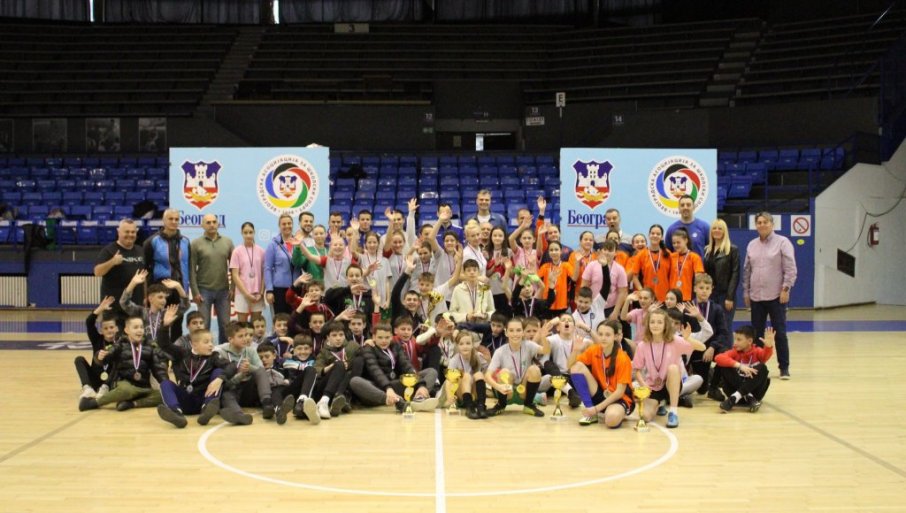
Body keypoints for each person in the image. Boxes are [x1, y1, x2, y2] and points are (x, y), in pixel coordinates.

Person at [156, 306, 245, 428]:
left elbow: (232, 365)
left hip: (202, 398)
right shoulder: (182, 353)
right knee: (165, 383)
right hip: (185, 398)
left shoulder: (214, 356)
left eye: (212, 342)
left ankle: (207, 410)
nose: (211, 345)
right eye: (206, 342)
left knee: (218, 371)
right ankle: (176, 413)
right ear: (194, 345)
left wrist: (220, 379)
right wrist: (165, 326)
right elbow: (164, 344)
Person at [743, 212, 797, 379]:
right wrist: (746, 292)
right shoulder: (752, 245)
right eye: (759, 222)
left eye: (765, 222)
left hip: (776, 296)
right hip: (756, 297)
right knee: (757, 334)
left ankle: (784, 368)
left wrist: (786, 289)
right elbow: (747, 271)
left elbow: (790, 268)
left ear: (772, 224)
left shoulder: (783, 242)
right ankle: (758, 367)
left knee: (779, 333)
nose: (762, 225)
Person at [632, 309, 705, 428]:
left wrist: (688, 339)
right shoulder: (642, 345)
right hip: (653, 387)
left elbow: (702, 347)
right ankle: (660, 403)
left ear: (665, 325)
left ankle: (673, 412)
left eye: (659, 322)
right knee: (645, 417)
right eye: (652, 322)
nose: (655, 325)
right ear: (648, 324)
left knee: (673, 368)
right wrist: (643, 385)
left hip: (671, 384)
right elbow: (637, 370)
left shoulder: (674, 340)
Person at [78, 315, 166, 412]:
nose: (139, 330)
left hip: (143, 387)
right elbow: (106, 358)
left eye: (141, 327)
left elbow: (158, 369)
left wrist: (166, 383)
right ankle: (94, 403)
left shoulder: (150, 347)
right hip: (124, 383)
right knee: (126, 390)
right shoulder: (120, 345)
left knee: (164, 395)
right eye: (135, 327)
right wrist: (99, 357)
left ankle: (132, 403)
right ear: (127, 330)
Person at [349, 323, 438, 413]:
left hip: (395, 385)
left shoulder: (396, 346)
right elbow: (375, 371)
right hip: (378, 388)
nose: (384, 340)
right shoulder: (368, 349)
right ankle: (395, 401)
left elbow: (407, 366)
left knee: (431, 372)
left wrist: (421, 385)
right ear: (374, 337)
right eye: (380, 337)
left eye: (387, 337)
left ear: (391, 337)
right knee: (355, 381)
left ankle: (419, 398)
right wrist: (388, 388)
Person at [568, 320, 635, 427]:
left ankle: (613, 411)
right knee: (577, 366)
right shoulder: (594, 350)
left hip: (619, 398)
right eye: (600, 334)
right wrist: (575, 350)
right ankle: (591, 412)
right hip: (601, 393)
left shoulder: (622, 358)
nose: (603, 338)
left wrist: (596, 409)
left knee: (611, 420)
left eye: (607, 335)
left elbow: (619, 392)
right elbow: (570, 367)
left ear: (615, 336)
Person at [485, 317, 552, 418]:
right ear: (506, 332)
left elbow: (546, 351)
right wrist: (498, 387)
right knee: (504, 372)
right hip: (507, 392)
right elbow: (487, 375)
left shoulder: (529, 345)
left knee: (535, 369)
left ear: (523, 332)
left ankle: (529, 405)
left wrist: (543, 338)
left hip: (523, 392)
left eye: (518, 330)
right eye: (511, 330)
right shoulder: (500, 351)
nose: (515, 334)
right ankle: (501, 405)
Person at [215, 322, 276, 423]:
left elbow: (261, 370)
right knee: (226, 394)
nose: (245, 339)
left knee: (260, 371)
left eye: (246, 335)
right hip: (232, 388)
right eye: (240, 336)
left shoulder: (250, 351)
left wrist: (249, 368)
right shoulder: (221, 353)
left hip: (248, 390)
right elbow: (225, 383)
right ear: (230, 339)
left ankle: (267, 404)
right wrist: (240, 374)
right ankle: (239, 416)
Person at [190, 214, 234, 344]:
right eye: (208, 222)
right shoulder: (196, 244)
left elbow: (235, 268)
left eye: (214, 222)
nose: (212, 225)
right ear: (202, 225)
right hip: (203, 291)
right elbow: (191, 269)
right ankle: (204, 353)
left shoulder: (227, 242)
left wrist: (233, 288)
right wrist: (195, 292)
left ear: (218, 224)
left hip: (224, 291)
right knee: (204, 326)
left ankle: (224, 353)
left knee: (226, 326)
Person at [688, 274, 731, 401]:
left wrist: (712, 347)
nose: (704, 291)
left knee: (725, 354)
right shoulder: (687, 308)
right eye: (701, 288)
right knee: (701, 390)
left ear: (712, 290)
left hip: (711, 348)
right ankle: (709, 374)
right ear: (695, 288)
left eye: (707, 288)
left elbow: (723, 333)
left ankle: (714, 387)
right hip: (695, 350)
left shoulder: (717, 309)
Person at [94, 218, 145, 322]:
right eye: (127, 232)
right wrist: (112, 262)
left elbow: (144, 276)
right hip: (114, 308)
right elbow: (97, 272)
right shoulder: (109, 250)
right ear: (118, 232)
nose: (130, 235)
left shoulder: (140, 250)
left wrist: (145, 297)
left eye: (133, 232)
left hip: (135, 306)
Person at [715, 326, 774, 412]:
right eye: (735, 339)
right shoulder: (734, 352)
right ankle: (748, 397)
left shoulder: (757, 351)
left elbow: (765, 357)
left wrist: (768, 347)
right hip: (739, 394)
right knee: (725, 366)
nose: (735, 342)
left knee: (763, 368)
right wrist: (740, 366)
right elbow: (718, 358)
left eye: (739, 340)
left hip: (754, 394)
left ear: (749, 341)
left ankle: (736, 397)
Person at [313, 321, 362, 418]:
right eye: (334, 335)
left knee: (359, 360)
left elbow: (364, 358)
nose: (338, 338)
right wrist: (332, 366)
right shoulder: (324, 352)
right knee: (339, 364)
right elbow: (317, 370)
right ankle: (326, 401)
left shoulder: (353, 346)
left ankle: (342, 398)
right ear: (328, 337)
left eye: (341, 335)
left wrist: (369, 343)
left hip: (347, 384)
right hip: (327, 385)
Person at [143, 208, 191, 305]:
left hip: (181, 289)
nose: (174, 221)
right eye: (170, 219)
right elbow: (145, 270)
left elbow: (188, 266)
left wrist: (187, 289)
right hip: (159, 290)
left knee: (179, 315)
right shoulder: (152, 241)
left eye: (176, 219)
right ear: (163, 220)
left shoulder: (185, 241)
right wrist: (145, 295)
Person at [76, 297, 118, 403]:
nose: (109, 330)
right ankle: (88, 389)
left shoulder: (120, 342)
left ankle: (105, 388)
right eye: (106, 328)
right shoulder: (97, 339)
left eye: (111, 327)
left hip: (110, 382)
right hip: (95, 379)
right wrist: (100, 309)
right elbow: (89, 322)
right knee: (79, 359)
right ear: (101, 330)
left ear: (117, 329)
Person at [703, 218, 740, 328]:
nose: (717, 230)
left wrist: (730, 297)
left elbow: (735, 274)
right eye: (714, 228)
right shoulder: (707, 250)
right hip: (710, 295)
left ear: (725, 231)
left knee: (725, 327)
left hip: (725, 296)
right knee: (711, 326)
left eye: (720, 228)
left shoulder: (732, 249)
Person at [445, 330, 489, 419]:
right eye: (461, 344)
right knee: (466, 376)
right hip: (461, 395)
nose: (465, 346)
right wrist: (449, 395)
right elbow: (449, 381)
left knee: (479, 374)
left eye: (468, 343)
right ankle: (469, 407)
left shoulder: (478, 356)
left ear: (473, 345)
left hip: (474, 393)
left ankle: (481, 406)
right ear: (457, 346)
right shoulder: (454, 360)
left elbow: (488, 371)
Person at [230, 222, 266, 323]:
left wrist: (261, 293)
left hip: (257, 294)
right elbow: (235, 275)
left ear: (254, 232)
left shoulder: (261, 251)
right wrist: (246, 294)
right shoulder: (237, 251)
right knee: (242, 325)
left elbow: (264, 274)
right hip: (242, 293)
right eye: (245, 233)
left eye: (250, 232)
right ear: (241, 233)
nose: (248, 235)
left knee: (256, 324)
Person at [265, 213, 301, 315]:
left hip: (296, 288)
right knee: (281, 319)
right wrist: (269, 290)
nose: (287, 226)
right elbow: (267, 268)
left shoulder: (299, 243)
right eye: (284, 224)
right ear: (279, 226)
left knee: (295, 318)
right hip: (280, 290)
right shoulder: (273, 244)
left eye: (289, 223)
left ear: (292, 224)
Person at [628, 224, 671, 301]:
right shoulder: (641, 254)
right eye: (652, 233)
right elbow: (635, 277)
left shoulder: (668, 254)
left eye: (658, 234)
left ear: (662, 237)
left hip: (665, 298)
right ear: (649, 235)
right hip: (647, 299)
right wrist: (642, 291)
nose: (655, 236)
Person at [668, 228, 705, 304]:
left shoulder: (694, 257)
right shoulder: (671, 257)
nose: (676, 245)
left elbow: (699, 278)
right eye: (674, 243)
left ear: (686, 241)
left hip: (688, 297)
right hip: (672, 297)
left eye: (678, 242)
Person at [537, 240, 572, 316]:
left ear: (561, 251)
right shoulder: (545, 267)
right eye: (551, 250)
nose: (554, 252)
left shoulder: (566, 265)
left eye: (556, 250)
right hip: (547, 301)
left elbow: (574, 278)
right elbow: (536, 279)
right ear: (548, 253)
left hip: (561, 302)